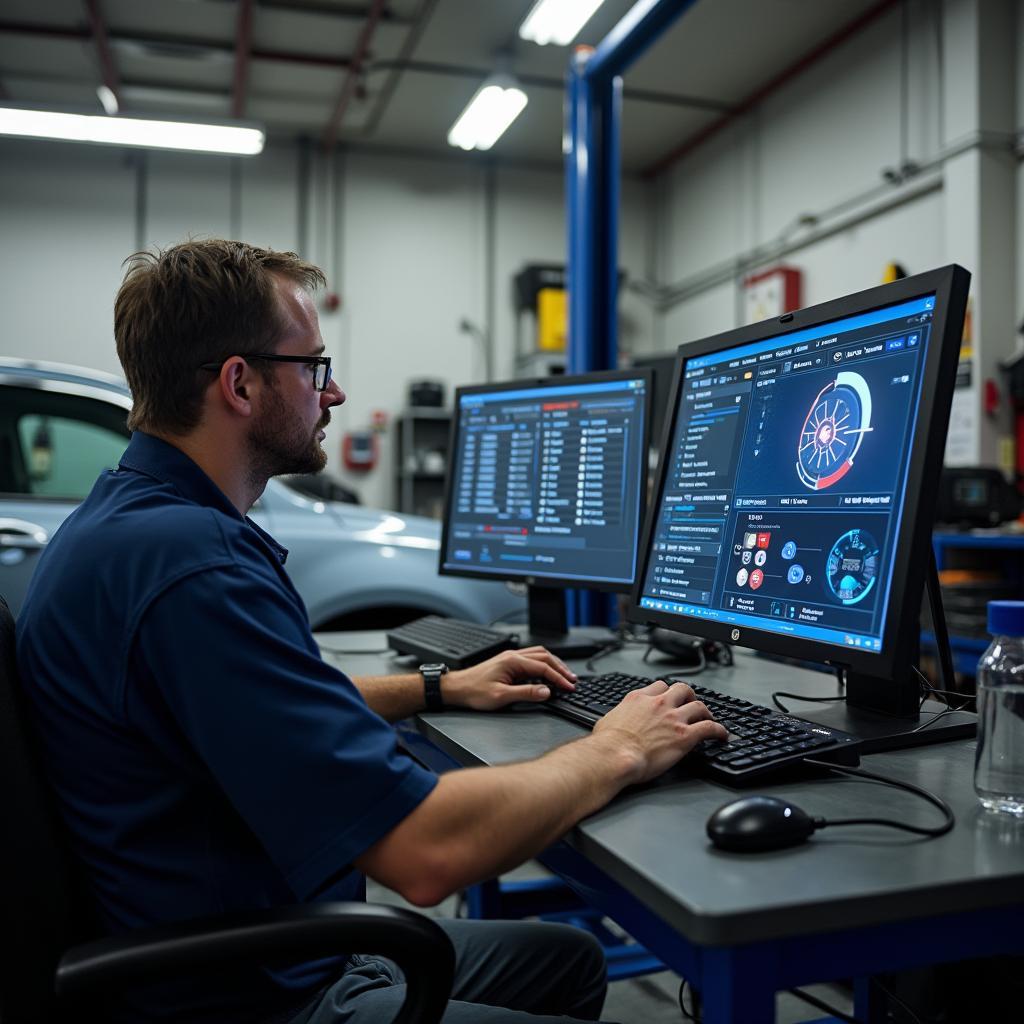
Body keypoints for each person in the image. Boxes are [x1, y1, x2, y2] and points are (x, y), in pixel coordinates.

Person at [16, 239, 727, 1023]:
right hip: (252, 992)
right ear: (240, 383)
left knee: (564, 960)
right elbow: (424, 855)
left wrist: (439, 685)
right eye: (314, 368)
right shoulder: (194, 567)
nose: (337, 392)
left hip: (256, 940)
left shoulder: (132, 524)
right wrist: (617, 746)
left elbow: (268, 701)